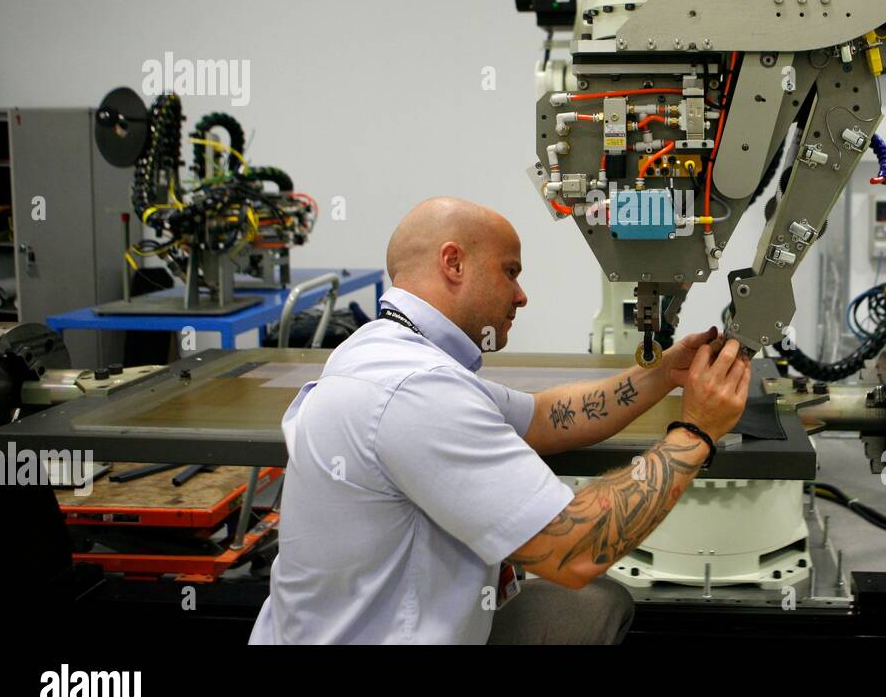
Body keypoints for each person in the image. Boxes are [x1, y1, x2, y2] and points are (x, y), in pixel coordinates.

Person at [249, 197, 751, 644]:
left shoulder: (384, 352)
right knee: (587, 591)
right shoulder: (415, 390)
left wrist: (664, 373)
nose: (521, 294)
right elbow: (573, 552)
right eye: (510, 271)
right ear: (453, 263)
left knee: (598, 605)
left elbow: (543, 417)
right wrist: (697, 433)